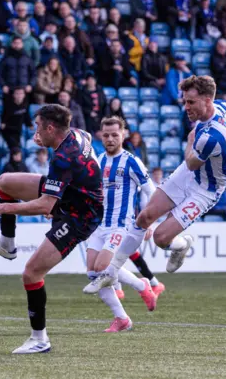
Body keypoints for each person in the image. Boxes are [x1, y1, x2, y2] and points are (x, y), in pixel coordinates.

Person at [84, 75, 226, 292]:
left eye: (191, 102)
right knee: (144, 217)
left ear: (207, 100)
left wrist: (190, 141)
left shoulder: (211, 137)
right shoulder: (221, 107)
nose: (185, 106)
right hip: (188, 174)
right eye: (185, 101)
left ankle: (180, 244)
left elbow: (190, 162)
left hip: (205, 189)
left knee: (161, 238)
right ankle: (110, 272)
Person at [0, 105, 103, 354]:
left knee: (31, 274)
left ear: (50, 128)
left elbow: (45, 204)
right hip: (71, 195)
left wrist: (3, 209)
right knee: (5, 182)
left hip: (80, 216)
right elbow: (86, 137)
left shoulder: (64, 157)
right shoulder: (75, 134)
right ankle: (6, 243)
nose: (35, 131)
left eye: (38, 127)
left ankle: (39, 339)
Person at [83, 116, 159, 332]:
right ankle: (124, 316)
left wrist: (148, 220)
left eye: (115, 135)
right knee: (92, 273)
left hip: (120, 225)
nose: (110, 139)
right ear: (100, 135)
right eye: (106, 135)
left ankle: (140, 286)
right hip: (98, 225)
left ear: (123, 135)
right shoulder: (98, 160)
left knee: (102, 268)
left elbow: (150, 191)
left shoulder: (131, 161)